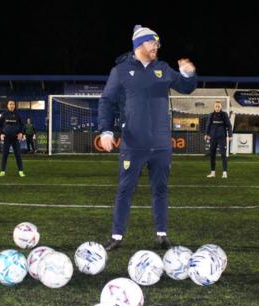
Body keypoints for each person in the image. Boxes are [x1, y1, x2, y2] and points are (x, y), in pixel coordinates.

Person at [98, 25, 197, 251]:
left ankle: (162, 235)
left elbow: (185, 87)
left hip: (162, 144)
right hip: (133, 144)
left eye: (157, 43)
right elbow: (106, 102)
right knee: (125, 190)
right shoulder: (120, 71)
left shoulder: (163, 68)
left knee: (160, 189)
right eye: (153, 42)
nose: (157, 47)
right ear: (140, 44)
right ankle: (116, 236)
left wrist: (189, 74)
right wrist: (106, 130)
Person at [204, 101, 232, 178]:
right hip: (212, 138)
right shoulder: (211, 115)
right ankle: (213, 173)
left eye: (218, 106)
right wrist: (206, 134)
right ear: (214, 107)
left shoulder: (224, 114)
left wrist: (230, 135)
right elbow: (208, 125)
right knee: (212, 155)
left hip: (222, 138)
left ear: (221, 107)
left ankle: (224, 172)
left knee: (223, 154)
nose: (217, 108)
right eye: (216, 106)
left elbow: (229, 126)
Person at [0, 100, 25, 177]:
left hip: (15, 138)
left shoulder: (18, 114)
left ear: (14, 106)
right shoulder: (4, 114)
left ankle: (21, 171)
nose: (11, 105)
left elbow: (22, 125)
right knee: (4, 155)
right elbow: (0, 126)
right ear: (7, 105)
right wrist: (1, 134)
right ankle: (2, 171)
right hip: (6, 138)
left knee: (18, 155)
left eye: (13, 104)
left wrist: (21, 133)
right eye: (10, 104)